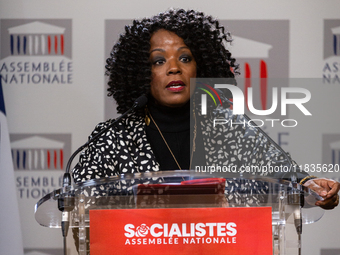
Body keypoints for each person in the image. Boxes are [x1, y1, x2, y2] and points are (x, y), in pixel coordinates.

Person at [72, 9, 339, 209]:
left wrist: (312, 186)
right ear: (140, 73)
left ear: (200, 68)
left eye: (185, 58)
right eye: (158, 61)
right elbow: (77, 203)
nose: (174, 68)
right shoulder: (112, 137)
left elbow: (285, 173)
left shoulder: (231, 127)